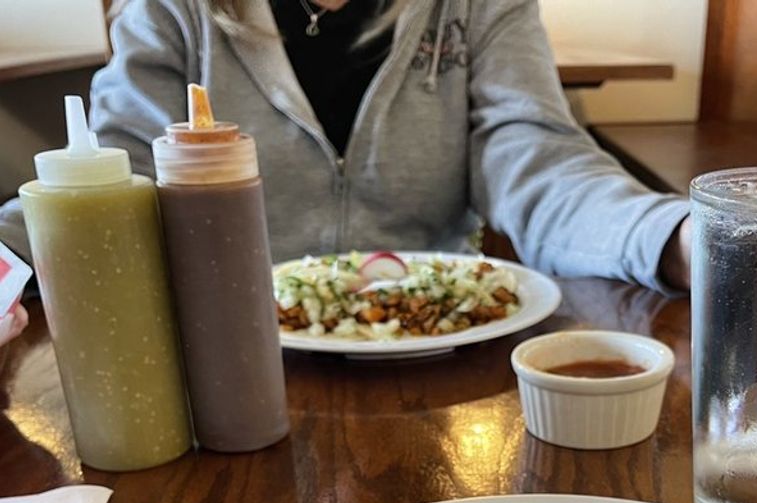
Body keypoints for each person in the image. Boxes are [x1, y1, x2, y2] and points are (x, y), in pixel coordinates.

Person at [0, 0, 691, 299]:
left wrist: (678, 237)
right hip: (224, 360)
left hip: (439, 352)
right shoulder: (172, 13)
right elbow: (108, 180)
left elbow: (537, 160)